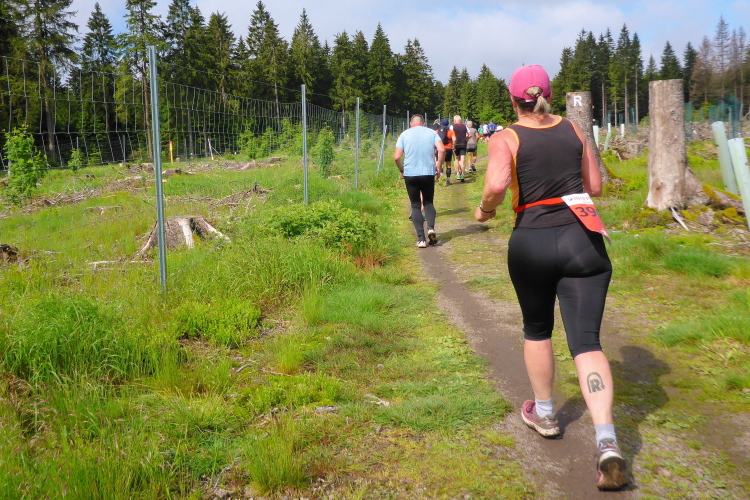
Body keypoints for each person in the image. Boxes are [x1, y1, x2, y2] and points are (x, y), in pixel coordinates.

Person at [474, 64, 627, 491]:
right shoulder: (574, 129)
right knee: (588, 342)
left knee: (537, 328)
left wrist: (484, 211)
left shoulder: (506, 137)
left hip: (533, 240)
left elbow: (496, 185)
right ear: (550, 96)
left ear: (513, 100)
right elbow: (594, 184)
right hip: (583, 239)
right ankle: (607, 442)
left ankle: (544, 413)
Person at [395, 114, 445, 247]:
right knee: (428, 202)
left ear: (411, 124)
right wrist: (438, 167)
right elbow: (441, 149)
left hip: (410, 173)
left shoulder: (404, 135)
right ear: (423, 124)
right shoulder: (431, 133)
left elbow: (396, 157)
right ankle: (431, 228)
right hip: (428, 172)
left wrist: (402, 170)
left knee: (415, 205)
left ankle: (421, 239)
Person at [449, 115, 469, 182]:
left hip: (456, 144)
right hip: (463, 144)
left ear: (454, 120)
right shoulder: (465, 126)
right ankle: (462, 173)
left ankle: (457, 173)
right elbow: (469, 134)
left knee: (456, 159)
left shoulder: (452, 126)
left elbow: (450, 135)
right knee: (462, 160)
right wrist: (466, 140)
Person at [437, 118, 454, 185]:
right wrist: (453, 146)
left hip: (440, 148)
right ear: (448, 124)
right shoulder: (451, 131)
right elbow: (454, 139)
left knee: (440, 163)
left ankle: (440, 178)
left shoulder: (437, 131)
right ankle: (448, 180)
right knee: (448, 164)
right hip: (448, 149)